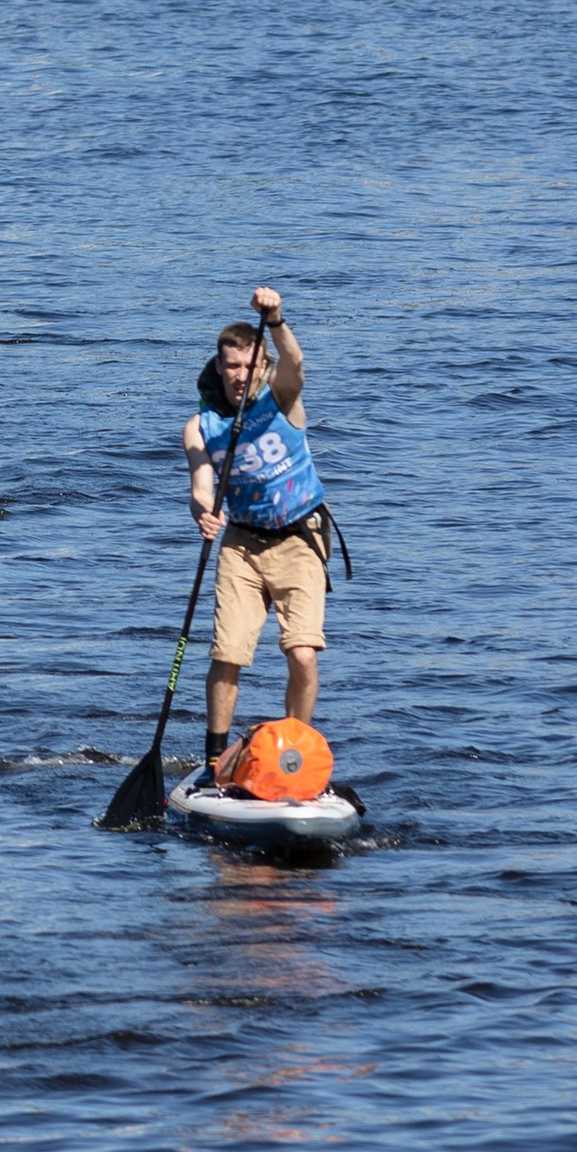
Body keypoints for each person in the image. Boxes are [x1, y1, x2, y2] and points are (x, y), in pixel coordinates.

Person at [187, 287, 332, 783]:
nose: (238, 376)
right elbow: (202, 485)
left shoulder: (282, 399)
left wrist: (276, 319)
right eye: (230, 366)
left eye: (248, 366)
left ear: (261, 367)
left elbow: (295, 363)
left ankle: (295, 760)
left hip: (301, 538)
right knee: (227, 654)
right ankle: (214, 762)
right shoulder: (200, 426)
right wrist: (203, 512)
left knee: (303, 653)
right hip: (241, 546)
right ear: (219, 367)